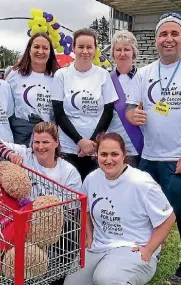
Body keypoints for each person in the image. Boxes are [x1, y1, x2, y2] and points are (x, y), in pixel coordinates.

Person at [126, 13, 181, 285]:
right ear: (156, 40)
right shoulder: (144, 73)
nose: (169, 39)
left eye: (174, 34)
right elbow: (131, 108)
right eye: (163, 34)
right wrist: (133, 116)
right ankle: (144, 255)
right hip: (150, 156)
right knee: (143, 210)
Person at [61, 132, 175, 285]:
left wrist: (149, 249)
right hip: (101, 244)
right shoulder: (91, 179)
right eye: (103, 154)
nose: (108, 159)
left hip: (134, 246)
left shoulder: (141, 182)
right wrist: (89, 233)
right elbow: (86, 209)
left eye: (114, 154)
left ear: (124, 155)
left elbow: (168, 218)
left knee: (106, 278)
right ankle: (109, 284)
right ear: (96, 155)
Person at [52, 28, 118, 180]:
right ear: (73, 48)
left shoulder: (103, 75)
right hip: (68, 147)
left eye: (89, 47)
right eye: (81, 47)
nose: (85, 51)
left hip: (95, 149)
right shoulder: (61, 75)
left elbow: (108, 112)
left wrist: (92, 143)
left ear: (95, 49)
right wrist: (80, 141)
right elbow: (59, 113)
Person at [0, 121, 82, 195]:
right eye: (36, 142)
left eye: (45, 142)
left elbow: (73, 207)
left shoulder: (69, 172)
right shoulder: (25, 154)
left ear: (56, 143)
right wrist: (10, 154)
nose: (40, 147)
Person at [6, 32, 60, 146]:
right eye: (36, 47)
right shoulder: (15, 75)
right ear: (29, 50)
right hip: (21, 136)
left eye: (45, 48)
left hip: (48, 137)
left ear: (50, 52)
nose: (40, 51)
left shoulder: (57, 77)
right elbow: (7, 108)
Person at [107, 30, 142, 167]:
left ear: (133, 52)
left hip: (140, 147)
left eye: (126, 49)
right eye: (118, 50)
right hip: (114, 147)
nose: (122, 54)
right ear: (113, 53)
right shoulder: (105, 79)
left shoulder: (144, 77)